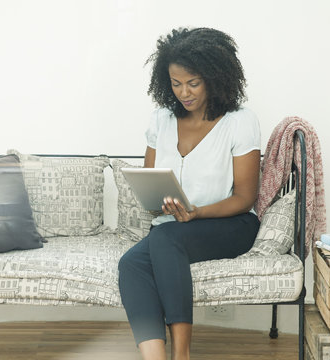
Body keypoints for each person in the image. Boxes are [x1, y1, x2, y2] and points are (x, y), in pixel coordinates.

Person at [118, 27, 261, 360]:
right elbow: (151, 182)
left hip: (231, 223)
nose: (184, 92)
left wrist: (196, 212)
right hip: (174, 226)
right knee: (131, 264)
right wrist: (160, 204)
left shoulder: (240, 122)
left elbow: (245, 197)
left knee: (167, 239)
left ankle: (181, 355)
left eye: (193, 83)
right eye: (175, 83)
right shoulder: (161, 120)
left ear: (214, 77)